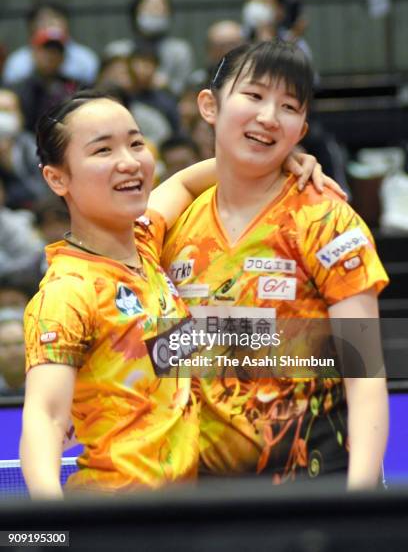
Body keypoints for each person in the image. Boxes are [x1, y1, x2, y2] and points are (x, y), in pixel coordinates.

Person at [21, 89, 330, 498]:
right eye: (102, 151)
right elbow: (44, 417)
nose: (130, 161)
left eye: (135, 143)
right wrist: (51, 532)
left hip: (178, 510)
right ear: (57, 178)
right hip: (116, 514)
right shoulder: (66, 294)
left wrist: (270, 159)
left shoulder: (143, 244)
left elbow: (185, 180)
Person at [161, 40, 389, 489]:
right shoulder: (175, 223)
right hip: (197, 491)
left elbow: (365, 376)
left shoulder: (327, 220)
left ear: (301, 128)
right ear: (209, 105)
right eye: (253, 95)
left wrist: (359, 503)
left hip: (313, 482)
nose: (268, 116)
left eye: (288, 106)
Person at [2, 1, 98, 86]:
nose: (49, 23)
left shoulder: (85, 58)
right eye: (42, 19)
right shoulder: (18, 63)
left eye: (55, 18)